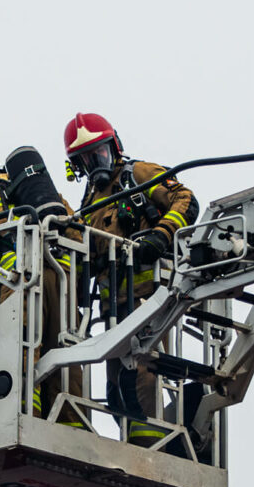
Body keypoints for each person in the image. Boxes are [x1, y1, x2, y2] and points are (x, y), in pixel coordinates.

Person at [63, 113, 198, 447]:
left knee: (140, 376)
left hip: (148, 299)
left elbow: (186, 199)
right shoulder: (91, 202)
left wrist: (161, 234)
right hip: (113, 309)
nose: (95, 164)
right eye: (85, 159)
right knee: (116, 388)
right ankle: (134, 443)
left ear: (115, 147)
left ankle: (150, 447)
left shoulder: (136, 175)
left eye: (99, 153)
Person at [0, 152, 86, 428]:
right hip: (62, 284)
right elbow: (77, 234)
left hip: (20, 283)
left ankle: (21, 416)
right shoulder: (49, 196)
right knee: (66, 356)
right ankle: (72, 427)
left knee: (20, 349)